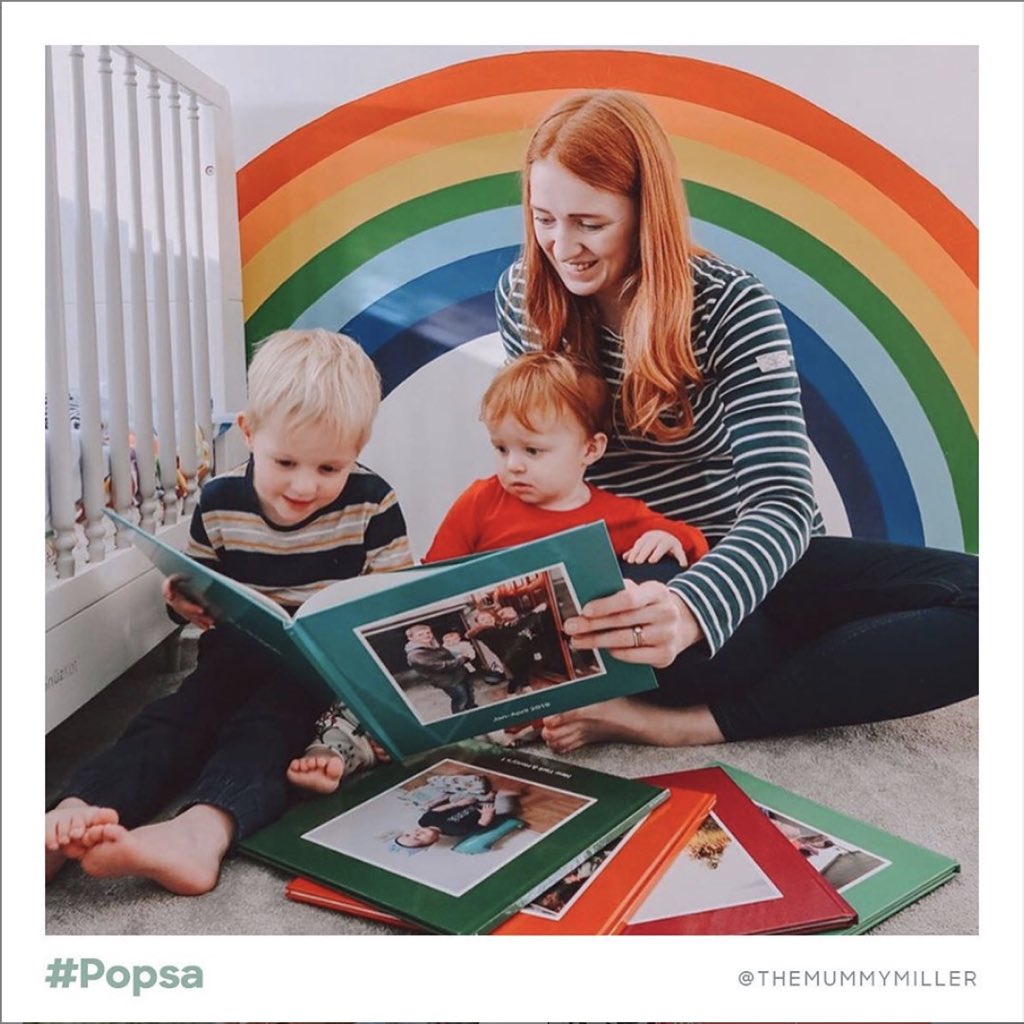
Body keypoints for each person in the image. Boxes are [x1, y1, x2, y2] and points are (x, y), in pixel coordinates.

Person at [493, 90, 978, 752]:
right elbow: (542, 472)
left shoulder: (732, 307)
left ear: (645, 213)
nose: (562, 246)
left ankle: (687, 720)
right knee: (713, 658)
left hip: (752, 552)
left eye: (589, 223)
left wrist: (696, 606)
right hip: (627, 569)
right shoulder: (523, 295)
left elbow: (781, 502)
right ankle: (757, 675)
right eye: (544, 218)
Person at [44, 328, 413, 893]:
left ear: (356, 453)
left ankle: (200, 833)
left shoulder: (373, 501)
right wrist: (182, 605)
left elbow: (392, 602)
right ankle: (77, 807)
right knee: (170, 719)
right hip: (232, 653)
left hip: (312, 671)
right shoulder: (218, 501)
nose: (305, 485)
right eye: (285, 460)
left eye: (330, 468)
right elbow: (195, 587)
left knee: (265, 734)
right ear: (248, 432)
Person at [425, 350, 708, 567]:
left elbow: (694, 541)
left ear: (590, 449)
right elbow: (430, 579)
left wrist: (668, 538)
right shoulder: (479, 502)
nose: (513, 465)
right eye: (501, 448)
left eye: (532, 450)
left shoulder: (618, 517)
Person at [393, 779, 520, 851]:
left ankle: (485, 795)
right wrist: (486, 815)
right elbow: (480, 826)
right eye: (418, 839)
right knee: (504, 810)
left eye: (409, 834)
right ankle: (499, 796)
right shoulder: (454, 832)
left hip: (465, 802)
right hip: (483, 810)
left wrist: (457, 804)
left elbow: (438, 809)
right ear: (434, 841)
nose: (416, 834)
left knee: (455, 797)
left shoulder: (424, 821)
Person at [403, 623, 478, 714]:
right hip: (449, 681)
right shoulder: (416, 655)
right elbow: (441, 665)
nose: (426, 635)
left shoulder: (431, 644)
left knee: (469, 693)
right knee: (461, 699)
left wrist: (458, 653)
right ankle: (462, 717)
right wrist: (462, 659)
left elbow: (448, 654)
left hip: (459, 674)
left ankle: (473, 710)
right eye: (420, 634)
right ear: (411, 638)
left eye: (428, 632)